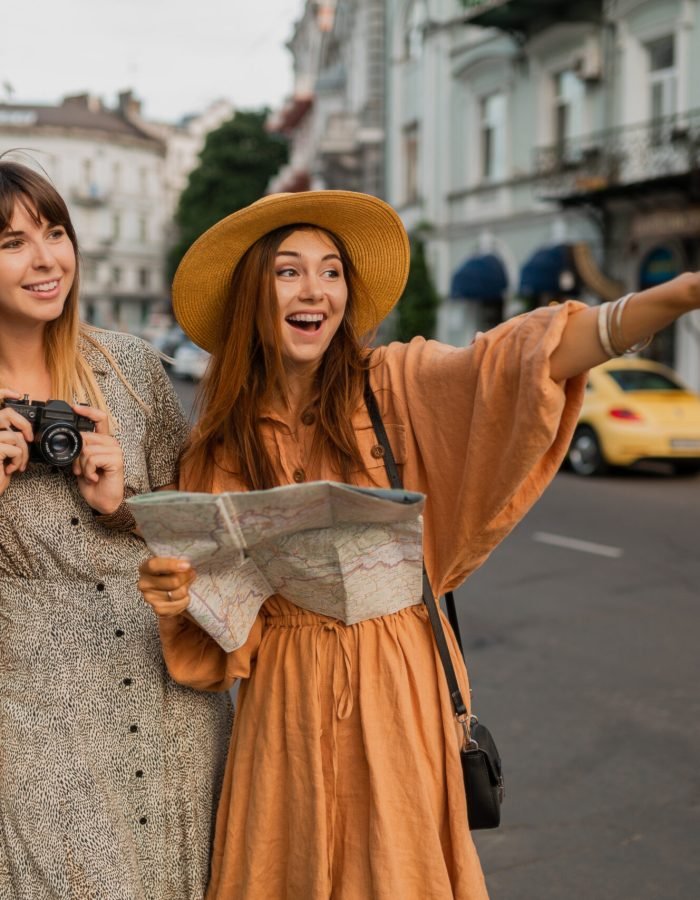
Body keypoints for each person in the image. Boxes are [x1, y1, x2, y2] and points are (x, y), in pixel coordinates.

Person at [138, 190, 700, 900]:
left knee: (397, 872)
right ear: (254, 291)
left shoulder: (395, 383)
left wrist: (681, 292)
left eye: (331, 270)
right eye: (288, 271)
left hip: (397, 680)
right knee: (288, 869)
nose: (315, 289)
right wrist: (177, 595)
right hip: (282, 700)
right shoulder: (218, 444)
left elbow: (528, 357)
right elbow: (221, 642)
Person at [0, 159, 232, 899]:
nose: (46, 260)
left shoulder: (130, 368)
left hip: (170, 692)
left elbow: (208, 530)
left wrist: (125, 502)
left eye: (56, 233)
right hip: (34, 711)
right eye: (11, 243)